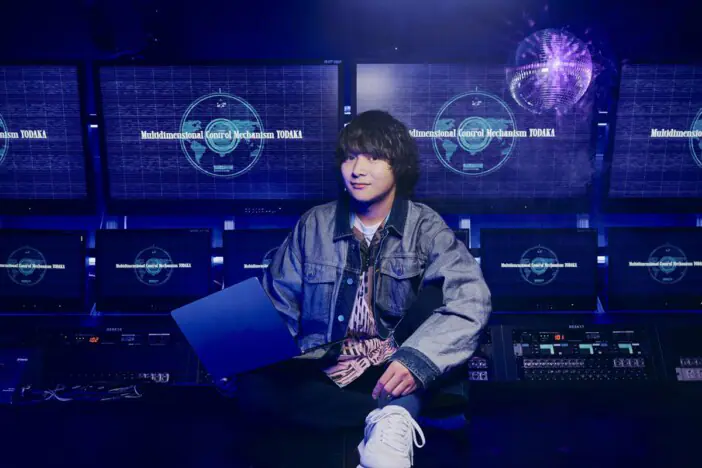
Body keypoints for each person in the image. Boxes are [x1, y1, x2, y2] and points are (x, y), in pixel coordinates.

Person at [238, 110, 492, 468]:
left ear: (397, 165)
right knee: (251, 390)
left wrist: (417, 362)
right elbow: (278, 305)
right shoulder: (314, 223)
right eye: (350, 157)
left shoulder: (425, 225)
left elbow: (471, 300)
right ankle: (394, 415)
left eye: (373, 157)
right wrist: (241, 358)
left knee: (440, 309)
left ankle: (398, 407)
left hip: (394, 367)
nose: (357, 170)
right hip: (327, 370)